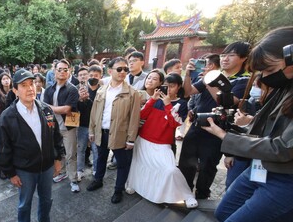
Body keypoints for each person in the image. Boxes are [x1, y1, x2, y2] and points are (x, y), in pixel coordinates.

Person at [189, 26, 293, 222]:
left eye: (271, 69)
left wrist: (226, 138)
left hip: (285, 181)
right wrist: (235, 129)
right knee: (226, 212)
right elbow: (262, 128)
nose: (267, 77)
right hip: (262, 169)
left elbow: (283, 147)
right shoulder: (284, 88)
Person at [0, 69, 65, 222]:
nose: (30, 89)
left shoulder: (46, 109)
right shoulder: (8, 116)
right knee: (24, 202)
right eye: (24, 85)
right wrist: (10, 173)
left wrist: (58, 159)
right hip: (25, 170)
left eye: (32, 84)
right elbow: (4, 149)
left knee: (47, 198)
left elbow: (56, 136)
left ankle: (44, 221)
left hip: (47, 166)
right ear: (15, 90)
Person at [179, 43, 251, 199]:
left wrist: (209, 80)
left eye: (231, 55)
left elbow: (228, 103)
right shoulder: (214, 73)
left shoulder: (244, 80)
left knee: (207, 165)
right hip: (198, 124)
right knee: (186, 161)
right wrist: (187, 74)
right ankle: (184, 192)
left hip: (218, 130)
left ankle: (202, 194)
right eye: (224, 55)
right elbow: (189, 91)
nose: (225, 59)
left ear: (244, 58)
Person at [125, 73, 197, 208]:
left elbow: (175, 123)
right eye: (166, 86)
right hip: (144, 140)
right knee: (140, 165)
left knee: (170, 170)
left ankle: (186, 195)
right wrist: (152, 100)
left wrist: (168, 105)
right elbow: (141, 115)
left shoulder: (181, 104)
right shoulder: (155, 99)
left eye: (172, 86)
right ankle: (136, 185)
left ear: (178, 87)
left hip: (163, 143)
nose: (168, 89)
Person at [87, 57, 140, 204]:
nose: (123, 72)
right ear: (110, 71)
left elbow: (134, 118)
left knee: (122, 163)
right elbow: (95, 111)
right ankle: (98, 180)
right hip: (101, 131)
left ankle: (118, 189)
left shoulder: (132, 93)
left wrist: (131, 139)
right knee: (101, 158)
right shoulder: (102, 89)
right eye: (119, 69)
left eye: (125, 69)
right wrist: (91, 130)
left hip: (120, 134)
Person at [43, 59, 80, 192]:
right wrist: (48, 107)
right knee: (58, 152)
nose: (63, 72)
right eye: (60, 69)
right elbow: (44, 109)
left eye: (65, 69)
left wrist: (49, 107)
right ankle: (62, 172)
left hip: (68, 126)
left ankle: (73, 179)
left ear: (69, 71)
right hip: (52, 127)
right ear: (54, 71)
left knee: (71, 154)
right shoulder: (49, 89)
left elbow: (66, 109)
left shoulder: (72, 89)